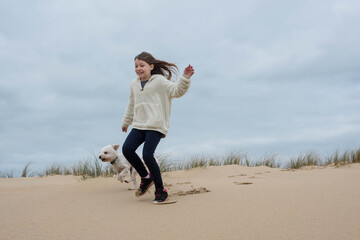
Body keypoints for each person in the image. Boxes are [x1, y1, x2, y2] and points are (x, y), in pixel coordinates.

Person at [121, 51, 194, 203]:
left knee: (148, 155)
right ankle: (146, 178)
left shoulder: (159, 81)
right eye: (136, 66)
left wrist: (185, 77)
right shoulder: (133, 84)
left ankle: (161, 191)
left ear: (151, 66)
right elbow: (131, 104)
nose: (138, 68)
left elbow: (176, 91)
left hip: (156, 125)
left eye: (142, 65)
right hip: (139, 124)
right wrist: (126, 121)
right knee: (127, 149)